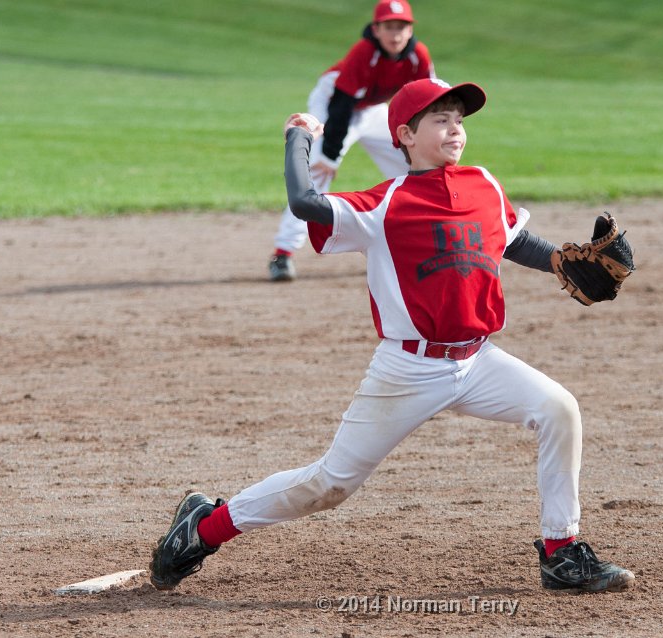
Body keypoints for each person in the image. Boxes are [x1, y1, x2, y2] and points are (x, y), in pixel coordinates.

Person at [150, 78, 635, 594]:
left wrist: (558, 259)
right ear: (405, 135)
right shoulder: (383, 205)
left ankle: (562, 553)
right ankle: (204, 529)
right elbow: (305, 203)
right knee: (331, 484)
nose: (455, 128)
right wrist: (299, 138)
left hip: (479, 361)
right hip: (409, 368)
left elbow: (512, 238)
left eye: (459, 119)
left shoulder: (484, 184)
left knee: (559, 409)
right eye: (440, 120)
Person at [268, 0, 435, 282]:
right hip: (332, 105)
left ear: (410, 30)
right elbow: (341, 106)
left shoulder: (418, 55)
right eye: (389, 27)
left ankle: (423, 239)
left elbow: (428, 98)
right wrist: (330, 156)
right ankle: (283, 254)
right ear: (376, 29)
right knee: (316, 175)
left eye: (401, 27)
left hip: (372, 110)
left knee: (417, 168)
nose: (395, 34)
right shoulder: (364, 52)